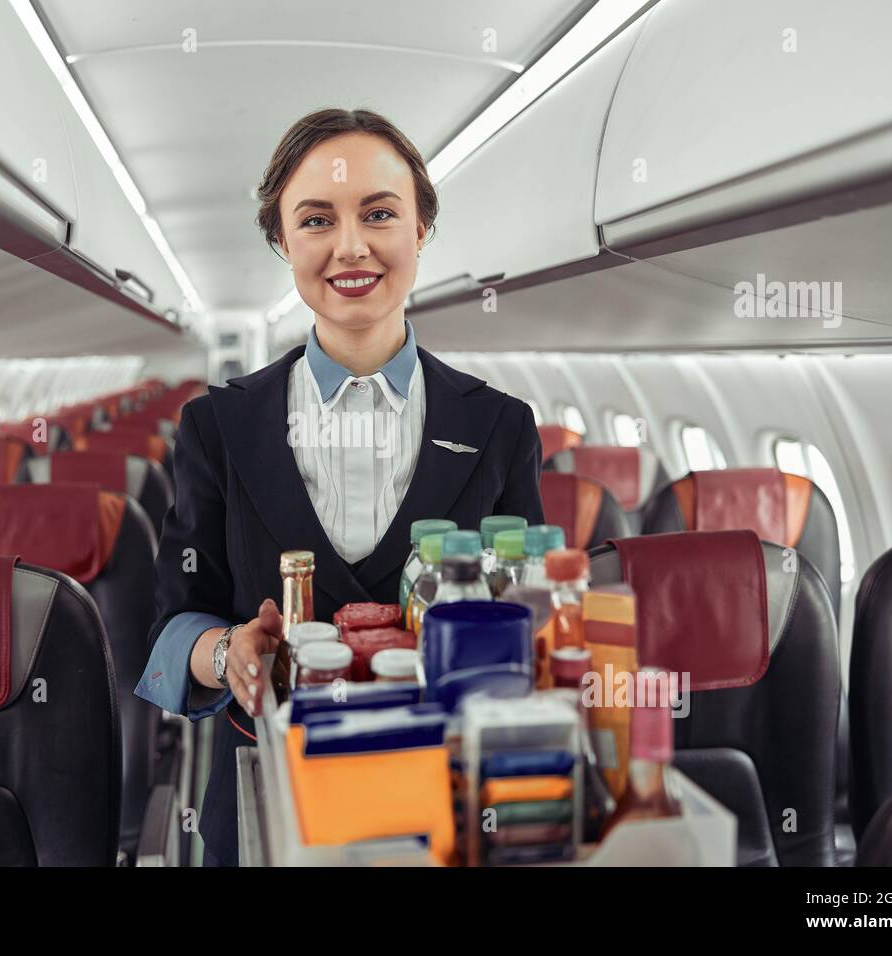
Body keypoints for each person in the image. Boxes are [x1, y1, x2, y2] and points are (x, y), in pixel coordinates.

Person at [135, 107, 544, 866]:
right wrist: (228, 654)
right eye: (316, 219)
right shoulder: (217, 426)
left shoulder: (500, 427)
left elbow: (530, 623)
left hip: (443, 803)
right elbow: (168, 632)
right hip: (265, 793)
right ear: (282, 240)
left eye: (380, 214)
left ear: (421, 228)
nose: (350, 247)